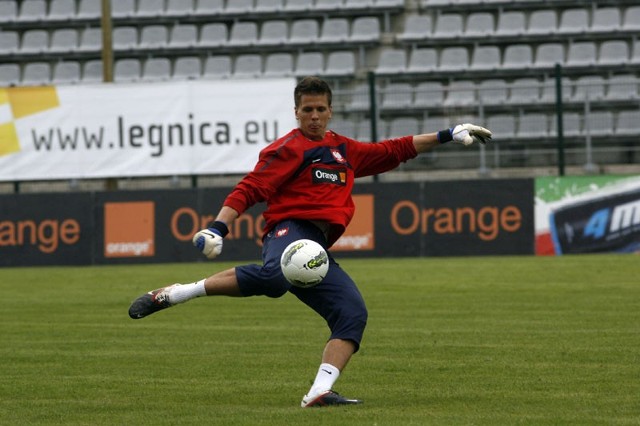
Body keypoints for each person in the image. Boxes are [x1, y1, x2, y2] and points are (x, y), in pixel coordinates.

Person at [128, 76, 491, 407]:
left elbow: (394, 150)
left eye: (320, 109)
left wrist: (448, 134)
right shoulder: (288, 149)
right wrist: (218, 227)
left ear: (330, 111)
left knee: (352, 314)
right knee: (274, 281)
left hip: (315, 246)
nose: (314, 116)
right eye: (307, 110)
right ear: (296, 112)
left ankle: (319, 391)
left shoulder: (344, 151)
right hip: (287, 230)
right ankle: (178, 292)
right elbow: (251, 188)